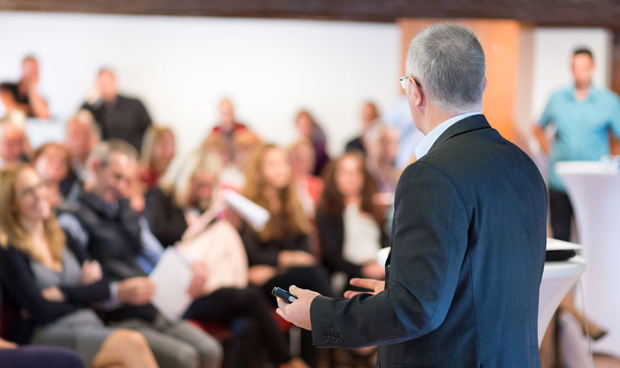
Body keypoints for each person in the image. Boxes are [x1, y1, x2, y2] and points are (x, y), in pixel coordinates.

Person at [276, 23, 547, 367]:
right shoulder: (522, 163)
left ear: (415, 91)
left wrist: (319, 313)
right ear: (483, 85)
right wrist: (394, 296)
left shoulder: (429, 174)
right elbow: (487, 285)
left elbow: (415, 310)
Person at [57, 140, 223, 368]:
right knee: (184, 358)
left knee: (210, 349)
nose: (122, 188)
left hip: (153, 305)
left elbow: (156, 254)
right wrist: (117, 293)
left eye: (128, 180)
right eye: (117, 177)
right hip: (115, 315)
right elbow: (79, 283)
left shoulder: (123, 208)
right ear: (95, 167)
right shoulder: (71, 219)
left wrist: (189, 265)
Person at [144, 150, 309, 368]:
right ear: (187, 178)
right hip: (185, 292)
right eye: (200, 184)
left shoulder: (206, 206)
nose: (204, 191)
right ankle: (287, 361)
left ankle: (287, 360)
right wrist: (201, 227)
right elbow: (160, 233)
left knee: (248, 324)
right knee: (251, 297)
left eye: (209, 186)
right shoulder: (160, 198)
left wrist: (232, 223)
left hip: (216, 285)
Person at [0, 164, 158, 368]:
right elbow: (41, 310)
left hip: (88, 324)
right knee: (133, 343)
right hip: (46, 333)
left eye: (40, 186)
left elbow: (101, 287)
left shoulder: (64, 235)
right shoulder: (8, 250)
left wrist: (62, 292)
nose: (39, 194)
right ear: (12, 204)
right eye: (28, 191)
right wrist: (85, 293)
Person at [240, 144, 333, 368]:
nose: (281, 169)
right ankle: (335, 319)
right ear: (259, 173)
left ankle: (307, 360)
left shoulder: (292, 203)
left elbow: (307, 253)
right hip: (260, 286)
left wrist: (278, 265)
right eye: (272, 164)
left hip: (285, 278)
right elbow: (252, 254)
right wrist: (288, 260)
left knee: (308, 296)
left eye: (283, 162)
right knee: (312, 280)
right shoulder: (248, 205)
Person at [534, 47, 620, 242]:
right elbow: (538, 127)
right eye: (575, 67)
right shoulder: (557, 97)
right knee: (560, 236)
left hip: (594, 182)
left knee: (593, 236)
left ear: (593, 68)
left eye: (584, 67)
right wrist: (549, 150)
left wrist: (613, 160)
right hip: (560, 181)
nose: (579, 72)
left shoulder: (608, 101)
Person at [316, 153, 388, 294]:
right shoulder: (328, 211)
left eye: (356, 172)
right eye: (345, 172)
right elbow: (331, 255)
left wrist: (383, 265)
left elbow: (385, 243)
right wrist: (363, 269)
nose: (351, 178)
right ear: (335, 176)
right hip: (348, 275)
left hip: (379, 270)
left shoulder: (372, 208)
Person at [82, 68, 152, 152]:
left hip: (134, 155)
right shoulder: (95, 109)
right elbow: (79, 122)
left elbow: (151, 131)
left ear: (115, 83)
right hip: (107, 156)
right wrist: (90, 100)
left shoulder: (134, 104)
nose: (105, 88)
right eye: (102, 84)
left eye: (107, 83)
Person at [204, 99, 250, 164]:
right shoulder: (214, 132)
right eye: (224, 113)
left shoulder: (242, 129)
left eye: (229, 112)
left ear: (233, 111)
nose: (227, 117)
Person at [33, 143, 76, 208]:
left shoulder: (73, 193)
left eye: (62, 161)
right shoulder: (29, 193)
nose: (57, 164)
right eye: (51, 158)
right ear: (37, 160)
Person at [288, 139, 323, 218]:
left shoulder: (319, 185)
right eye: (297, 157)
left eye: (305, 157)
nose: (300, 162)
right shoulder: (283, 184)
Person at [65, 109, 100, 180]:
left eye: (84, 134)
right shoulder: (63, 167)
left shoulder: (103, 164)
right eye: (74, 135)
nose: (79, 141)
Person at [294, 110, 330, 176]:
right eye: (301, 125)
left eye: (306, 125)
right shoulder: (295, 145)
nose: (303, 129)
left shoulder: (319, 147)